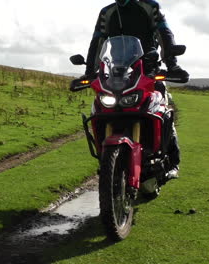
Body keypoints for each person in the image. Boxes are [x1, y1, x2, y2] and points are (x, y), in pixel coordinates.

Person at [84, 0, 186, 180]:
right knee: (101, 107)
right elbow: (97, 41)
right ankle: (108, 160)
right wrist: (89, 72)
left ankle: (172, 161)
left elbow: (164, 33)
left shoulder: (150, 7)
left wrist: (172, 65)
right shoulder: (106, 13)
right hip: (116, 72)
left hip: (147, 69)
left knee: (161, 106)